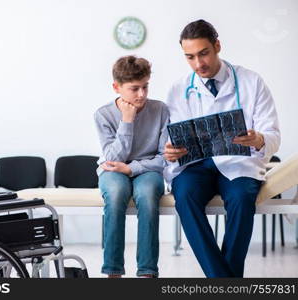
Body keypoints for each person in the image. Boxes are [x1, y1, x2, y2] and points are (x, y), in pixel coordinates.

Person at [163, 19, 280, 277]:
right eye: (190, 57)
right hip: (196, 166)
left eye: (203, 53)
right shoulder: (178, 89)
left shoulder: (252, 82)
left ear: (217, 46)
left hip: (238, 163)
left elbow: (273, 134)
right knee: (185, 196)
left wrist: (259, 139)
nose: (198, 64)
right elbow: (170, 138)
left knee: (241, 198)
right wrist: (169, 152)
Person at [94, 55, 169, 278]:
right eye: (134, 88)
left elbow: (164, 158)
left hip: (147, 170)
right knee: (116, 193)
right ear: (116, 87)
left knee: (146, 195)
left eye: (145, 87)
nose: (142, 94)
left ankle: (147, 272)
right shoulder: (103, 114)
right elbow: (112, 157)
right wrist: (127, 120)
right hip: (112, 169)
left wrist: (131, 168)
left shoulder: (161, 110)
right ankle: (113, 271)